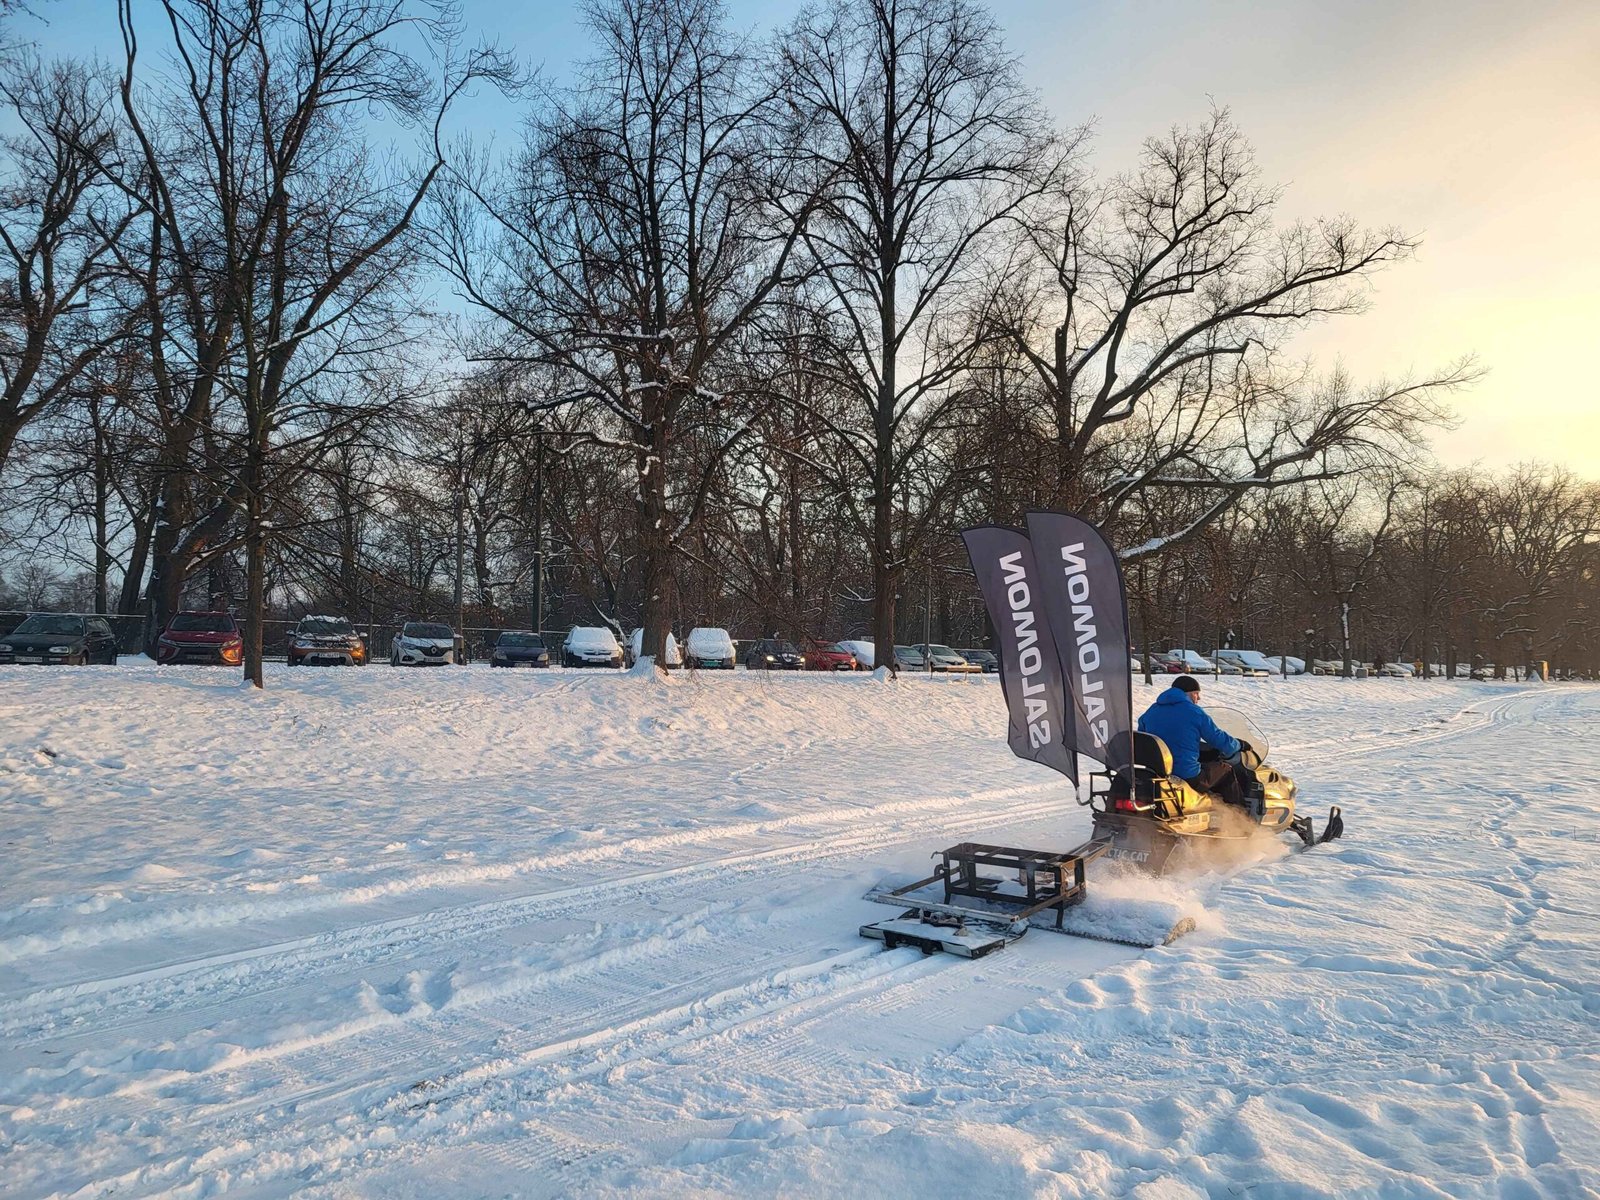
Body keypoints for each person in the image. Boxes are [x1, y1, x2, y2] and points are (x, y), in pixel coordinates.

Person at [1137, 675, 1247, 805]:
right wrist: (1239, 745)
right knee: (1225, 770)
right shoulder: (1194, 712)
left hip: (1157, 773)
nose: (1198, 698)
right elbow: (1217, 738)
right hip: (1187, 776)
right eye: (1196, 694)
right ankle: (1239, 817)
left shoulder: (1151, 711)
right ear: (1188, 693)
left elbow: (1143, 738)